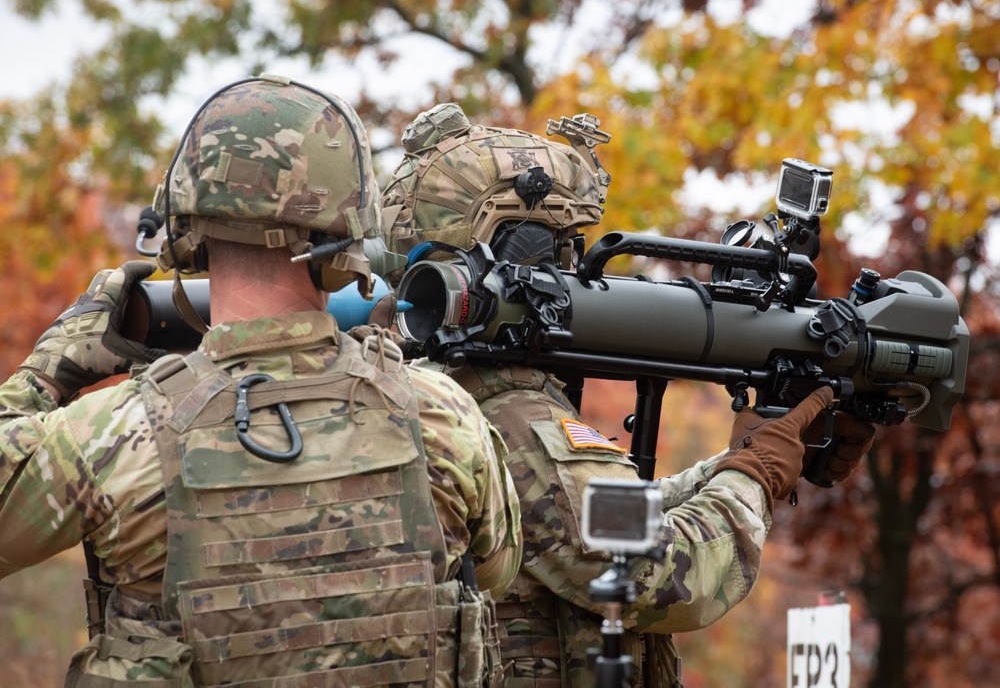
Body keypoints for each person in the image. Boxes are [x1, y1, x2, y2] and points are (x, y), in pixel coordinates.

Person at [0, 76, 521, 688]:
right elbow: (494, 573)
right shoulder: (442, 415)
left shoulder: (114, 434)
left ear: (188, 234)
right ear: (347, 240)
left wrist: (53, 364)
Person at [377, 103, 877, 687]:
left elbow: (605, 511)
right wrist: (754, 481)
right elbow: (667, 576)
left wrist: (740, 462)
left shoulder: (431, 391)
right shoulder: (513, 418)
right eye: (565, 243)